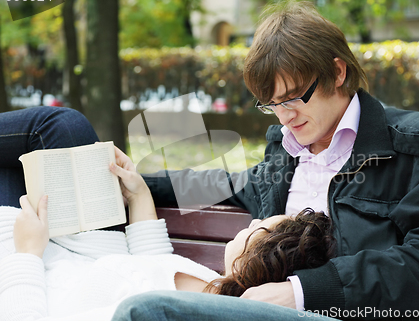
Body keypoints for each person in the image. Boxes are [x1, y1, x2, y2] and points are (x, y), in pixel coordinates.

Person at [121, 0, 419, 320]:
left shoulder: (416, 145)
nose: (284, 117)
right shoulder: (285, 149)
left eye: (293, 98)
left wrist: (303, 293)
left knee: (148, 310)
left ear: (337, 73)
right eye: (271, 104)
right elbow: (221, 184)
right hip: (257, 308)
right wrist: (136, 182)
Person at [0, 107, 337, 320]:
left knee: (53, 129)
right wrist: (140, 195)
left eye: (263, 226)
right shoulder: (211, 285)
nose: (256, 220)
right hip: (79, 248)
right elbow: (152, 266)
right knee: (61, 125)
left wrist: (27, 253)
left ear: (254, 263)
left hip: (19, 262)